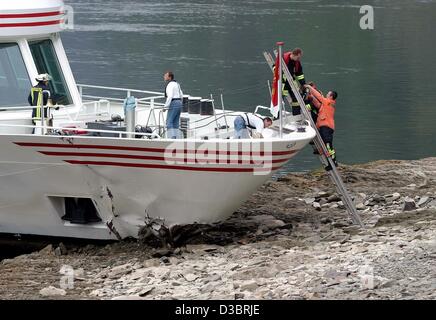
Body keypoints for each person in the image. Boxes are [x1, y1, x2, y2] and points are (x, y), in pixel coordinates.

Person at [304, 84, 338, 167]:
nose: (326, 94)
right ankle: (330, 161)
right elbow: (318, 104)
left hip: (327, 127)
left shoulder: (328, 102)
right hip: (323, 126)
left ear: (331, 96)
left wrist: (310, 87)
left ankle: (333, 161)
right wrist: (311, 96)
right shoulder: (326, 104)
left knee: (328, 144)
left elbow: (319, 97)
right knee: (325, 143)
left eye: (328, 94)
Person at [283, 48, 306, 116]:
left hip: (291, 82)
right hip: (282, 82)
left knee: (296, 98)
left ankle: (296, 116)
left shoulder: (297, 62)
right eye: (298, 57)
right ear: (295, 55)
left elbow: (299, 74)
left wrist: (303, 84)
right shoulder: (283, 58)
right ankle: (276, 117)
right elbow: (275, 66)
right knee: (280, 100)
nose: (299, 59)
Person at [163, 71, 183, 139]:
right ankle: (177, 138)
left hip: (173, 102)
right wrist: (180, 103)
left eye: (165, 75)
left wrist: (165, 107)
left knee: (169, 122)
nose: (164, 77)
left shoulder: (170, 85)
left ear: (169, 77)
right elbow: (181, 95)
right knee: (176, 123)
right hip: (179, 102)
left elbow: (170, 96)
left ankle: (172, 138)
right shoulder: (177, 84)